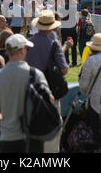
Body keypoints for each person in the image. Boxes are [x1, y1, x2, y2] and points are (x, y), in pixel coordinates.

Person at [0, 34, 53, 153]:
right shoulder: (36, 74)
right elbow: (50, 101)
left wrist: (5, 122)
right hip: (32, 135)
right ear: (22, 50)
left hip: (7, 137)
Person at [25, 10, 69, 153]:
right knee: (53, 126)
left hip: (31, 90)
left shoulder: (28, 43)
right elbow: (64, 69)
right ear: (52, 27)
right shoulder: (54, 43)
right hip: (50, 90)